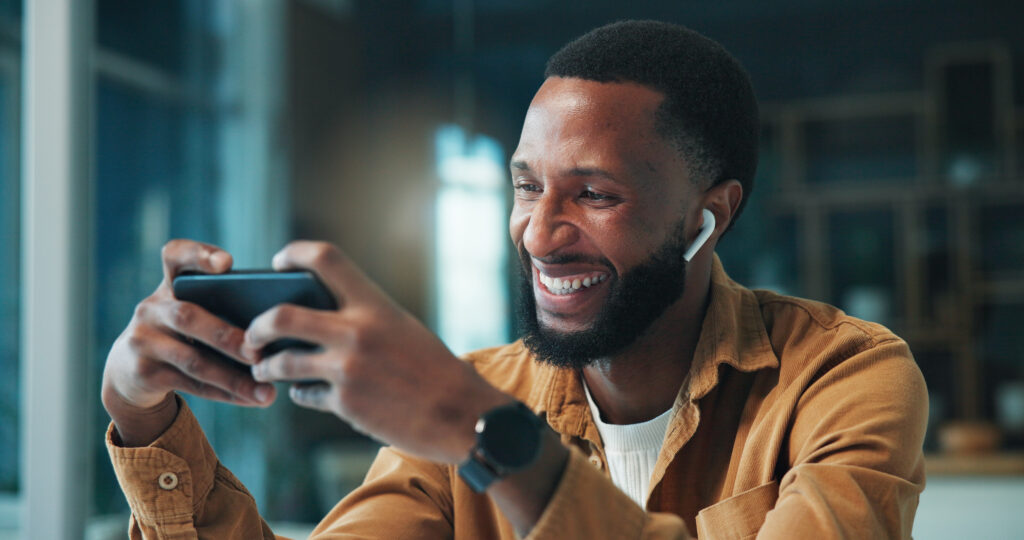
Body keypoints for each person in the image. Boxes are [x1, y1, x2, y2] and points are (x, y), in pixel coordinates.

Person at [103, 20, 927, 539]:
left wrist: (486, 437)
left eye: (594, 194)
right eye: (527, 186)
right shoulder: (468, 399)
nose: (537, 234)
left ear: (706, 217)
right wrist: (144, 421)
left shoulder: (843, 376)